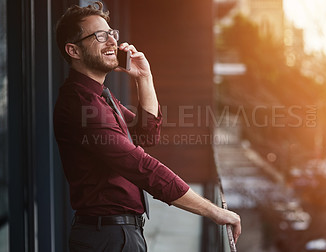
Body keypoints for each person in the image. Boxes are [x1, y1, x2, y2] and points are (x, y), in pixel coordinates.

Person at [53, 2, 241, 251]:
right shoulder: (81, 104)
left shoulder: (100, 97)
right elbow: (141, 166)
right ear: (73, 51)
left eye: (111, 33)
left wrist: (145, 77)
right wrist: (213, 211)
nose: (111, 41)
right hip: (108, 238)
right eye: (99, 35)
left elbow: (147, 133)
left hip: (117, 234)